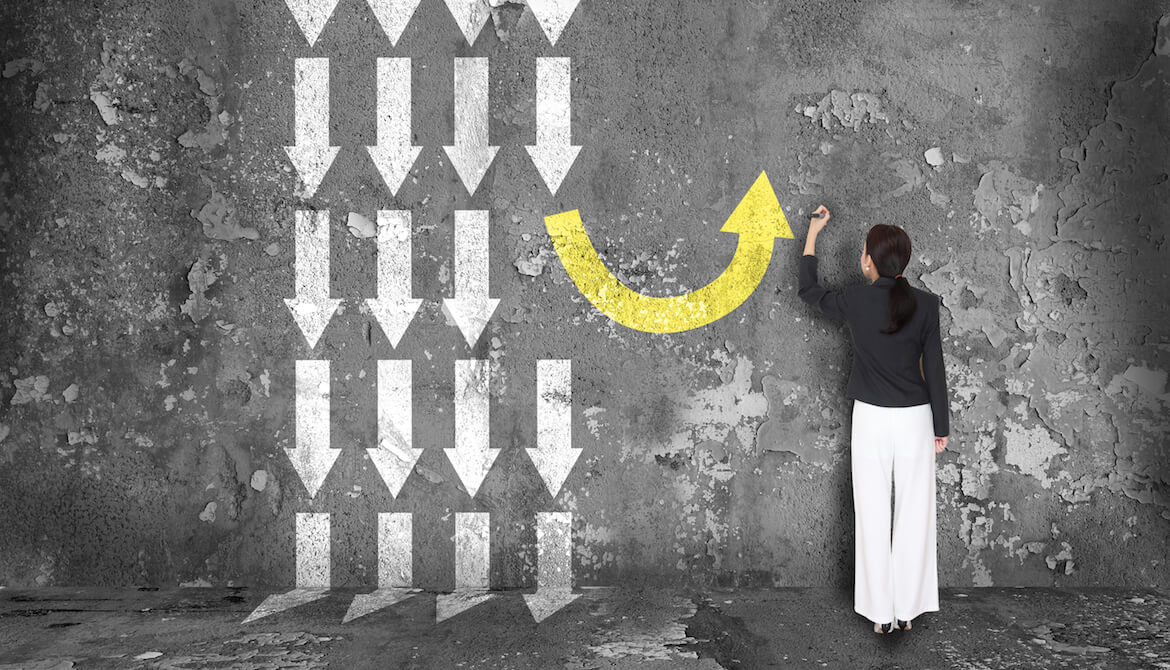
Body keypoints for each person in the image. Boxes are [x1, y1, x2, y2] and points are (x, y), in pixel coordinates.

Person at [796, 204, 950, 636]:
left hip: (871, 421)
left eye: (863, 252)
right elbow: (934, 369)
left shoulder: (855, 300)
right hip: (916, 420)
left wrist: (812, 233)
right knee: (914, 515)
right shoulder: (927, 304)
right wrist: (941, 427)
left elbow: (809, 291)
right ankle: (906, 612)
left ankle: (881, 614)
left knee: (872, 514)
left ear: (869, 261)